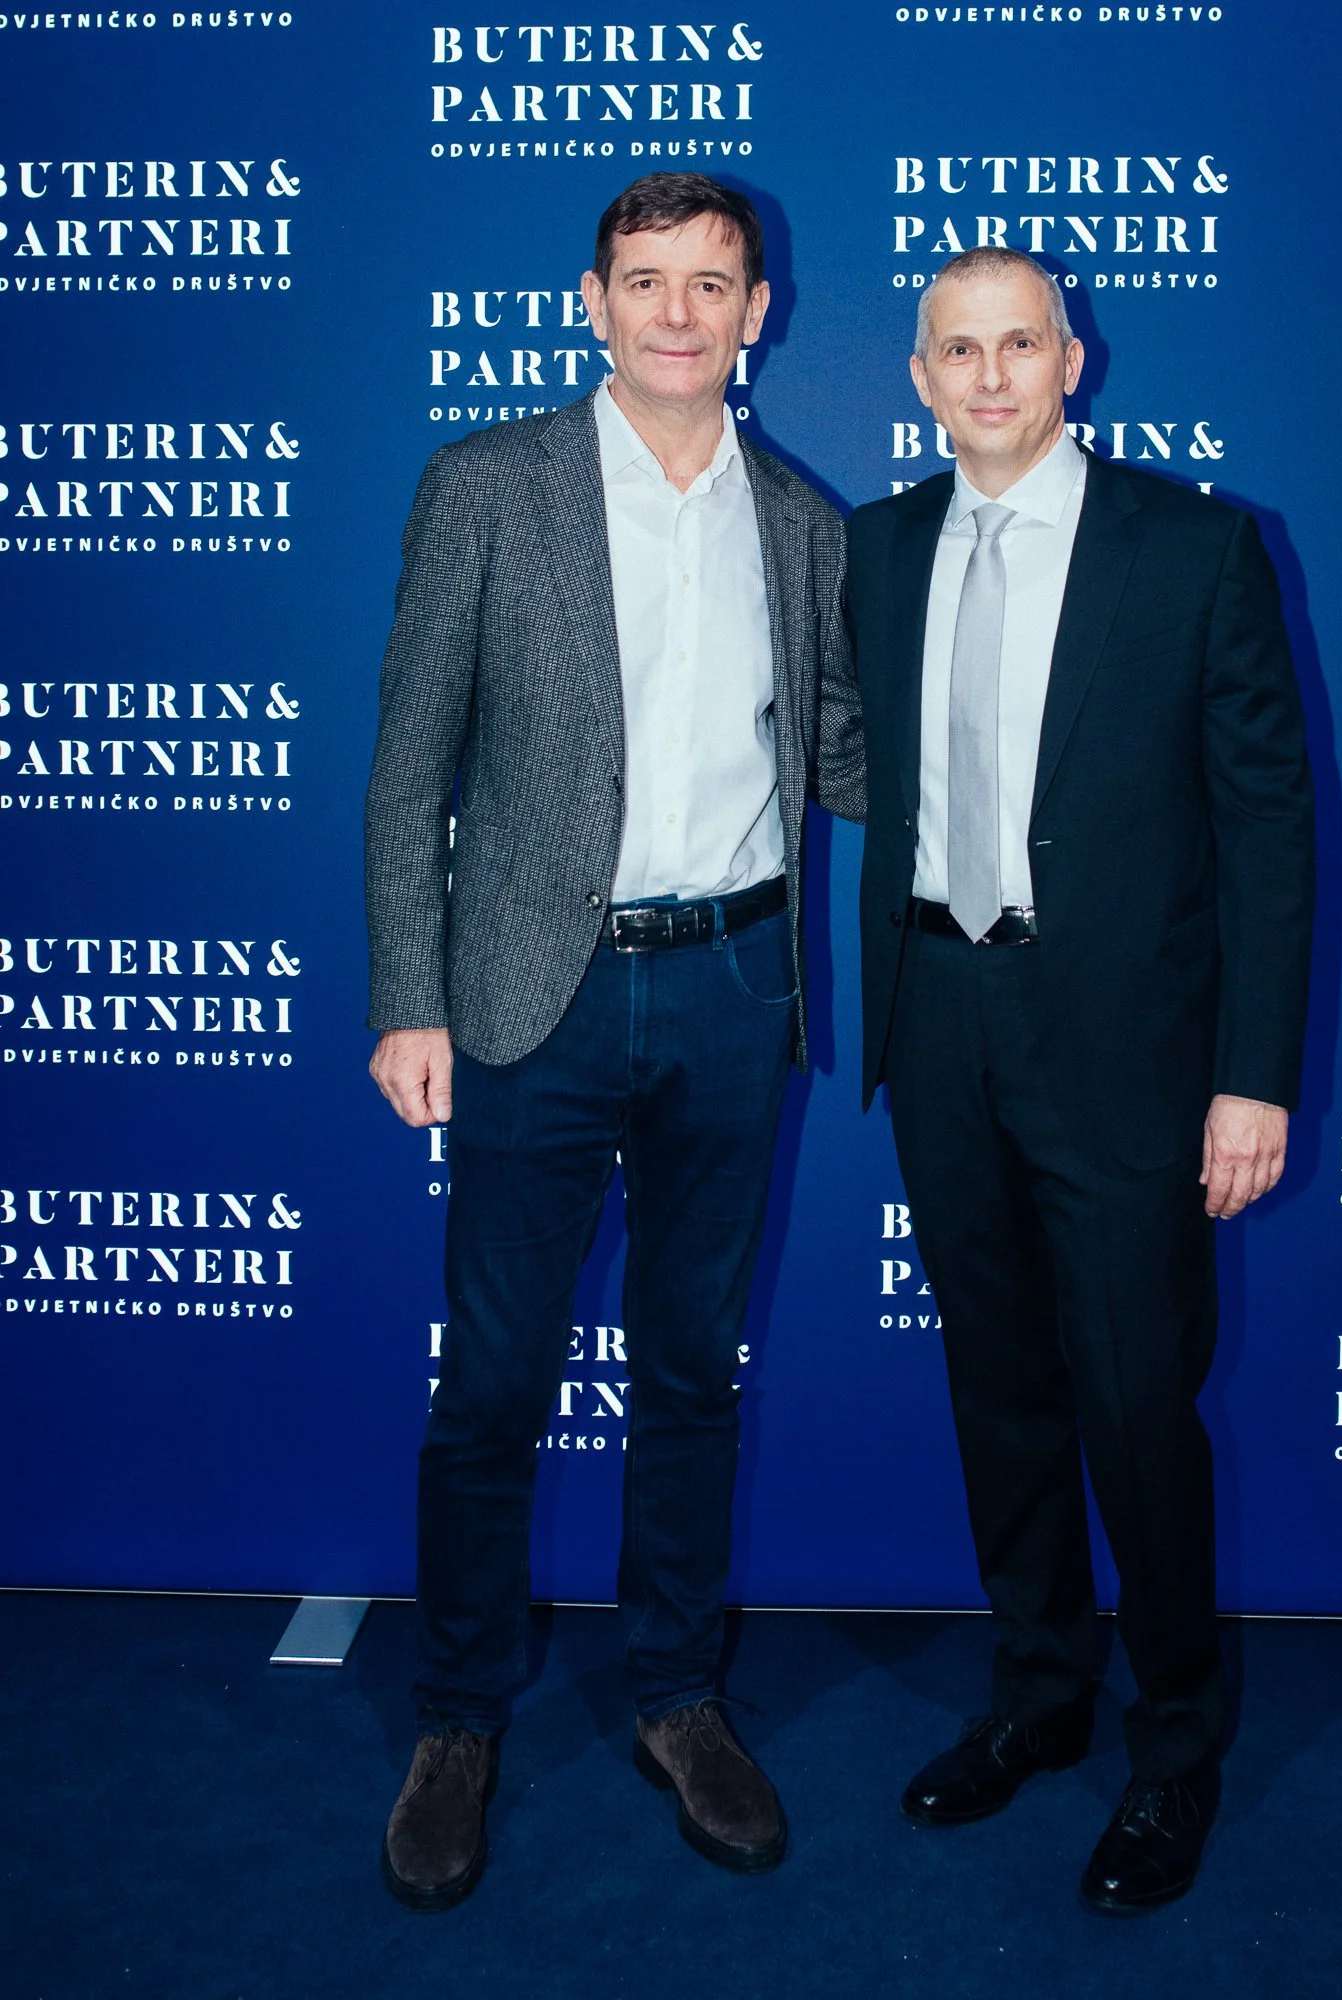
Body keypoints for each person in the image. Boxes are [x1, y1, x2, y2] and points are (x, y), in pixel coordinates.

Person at [364, 172, 862, 1909]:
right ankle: (455, 1716)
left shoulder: (804, 522)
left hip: (734, 993)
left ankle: (675, 1696)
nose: (675, 312)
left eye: (709, 283)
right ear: (594, 302)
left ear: (755, 314)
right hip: (529, 992)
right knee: (492, 1384)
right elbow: (410, 763)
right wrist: (408, 996)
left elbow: (855, 760)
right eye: (643, 281)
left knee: (689, 1377)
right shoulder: (486, 487)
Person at [838, 246, 1315, 1911]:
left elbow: (1268, 830)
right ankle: (1039, 1699)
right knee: (1003, 1392)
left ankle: (1174, 1748)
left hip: (1127, 1048)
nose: (987, 376)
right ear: (919, 376)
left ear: (1072, 359)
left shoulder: (1193, 547)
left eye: (1017, 344)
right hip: (942, 1020)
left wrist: (1252, 1077)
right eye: (955, 349)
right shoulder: (880, 551)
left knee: (1132, 1400)